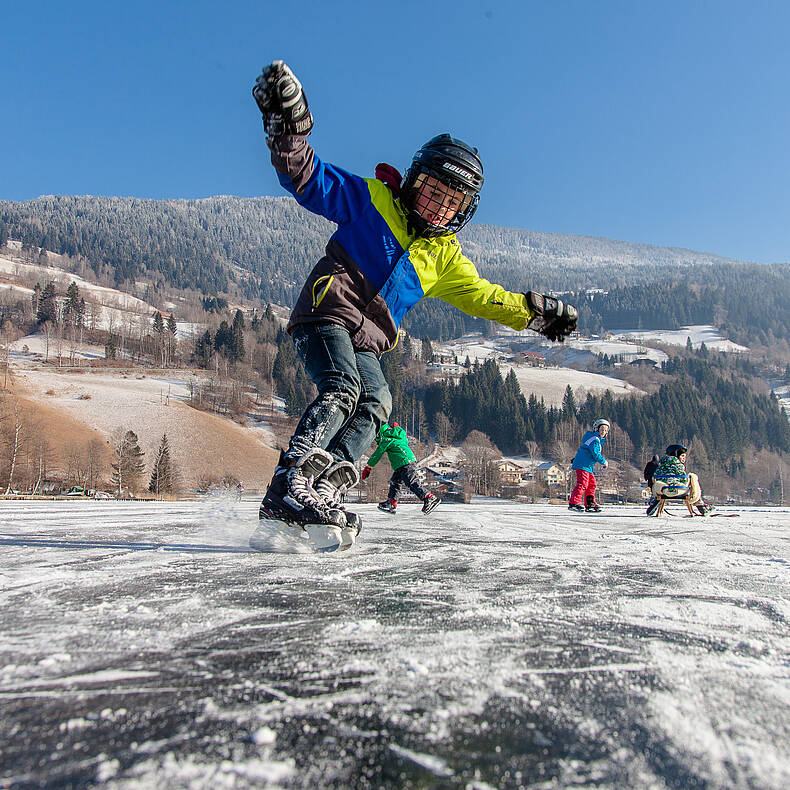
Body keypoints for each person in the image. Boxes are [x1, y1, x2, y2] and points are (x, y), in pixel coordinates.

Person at [252, 61, 579, 530]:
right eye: (433, 191)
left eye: (453, 202)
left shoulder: (444, 258)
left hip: (367, 339)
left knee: (377, 401)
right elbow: (308, 178)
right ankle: (289, 483)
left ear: (464, 212)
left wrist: (535, 316)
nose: (439, 206)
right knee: (342, 389)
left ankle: (325, 484)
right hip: (327, 311)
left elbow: (485, 298)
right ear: (414, 180)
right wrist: (289, 132)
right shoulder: (372, 201)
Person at [360, 423, 440, 514]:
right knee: (395, 481)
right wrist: (397, 428)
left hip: (405, 463)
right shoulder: (397, 436)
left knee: (411, 482)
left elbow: (378, 453)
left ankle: (429, 497)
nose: (377, 441)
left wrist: (369, 467)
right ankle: (392, 503)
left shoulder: (386, 438)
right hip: (402, 463)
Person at [647, 444, 713, 516]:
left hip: (663, 490)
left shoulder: (661, 464)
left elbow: (656, 476)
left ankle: (656, 500)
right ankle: (700, 504)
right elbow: (683, 479)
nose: (684, 458)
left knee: (658, 484)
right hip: (678, 489)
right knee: (692, 477)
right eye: (682, 456)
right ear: (676, 454)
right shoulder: (678, 464)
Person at [568, 419, 609, 512]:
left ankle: (590, 503)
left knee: (592, 484)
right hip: (583, 466)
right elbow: (595, 453)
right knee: (583, 483)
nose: (604, 432)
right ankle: (574, 502)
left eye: (606, 430)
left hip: (587, 466)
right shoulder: (595, 439)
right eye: (602, 429)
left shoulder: (596, 439)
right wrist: (604, 462)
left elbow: (585, 451)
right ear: (596, 429)